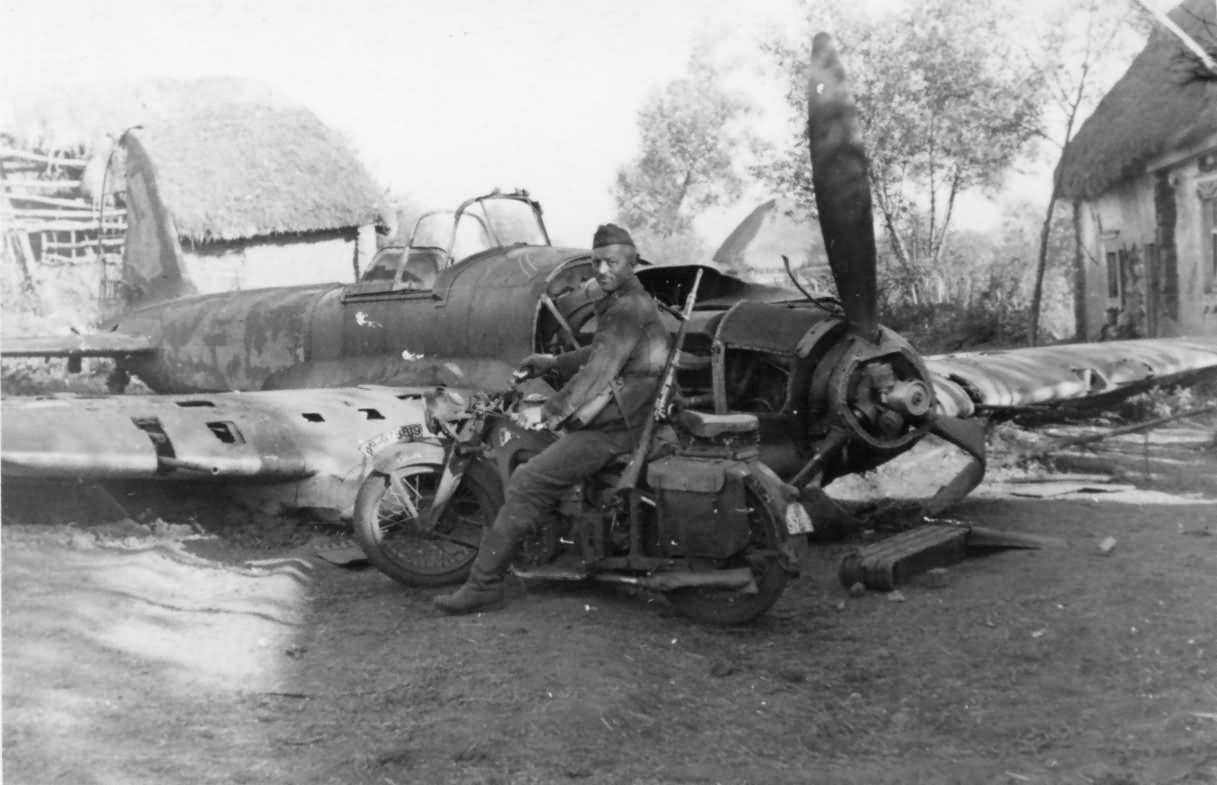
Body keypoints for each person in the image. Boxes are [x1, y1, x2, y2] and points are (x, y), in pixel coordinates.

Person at [433, 223, 670, 615]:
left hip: (618, 428)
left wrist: (548, 412)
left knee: (529, 480)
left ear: (631, 264)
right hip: (631, 417)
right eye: (596, 263)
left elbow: (598, 373)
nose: (602, 270)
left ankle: (483, 585)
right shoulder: (630, 304)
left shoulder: (626, 309)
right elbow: (602, 352)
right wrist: (553, 362)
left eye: (611, 263)